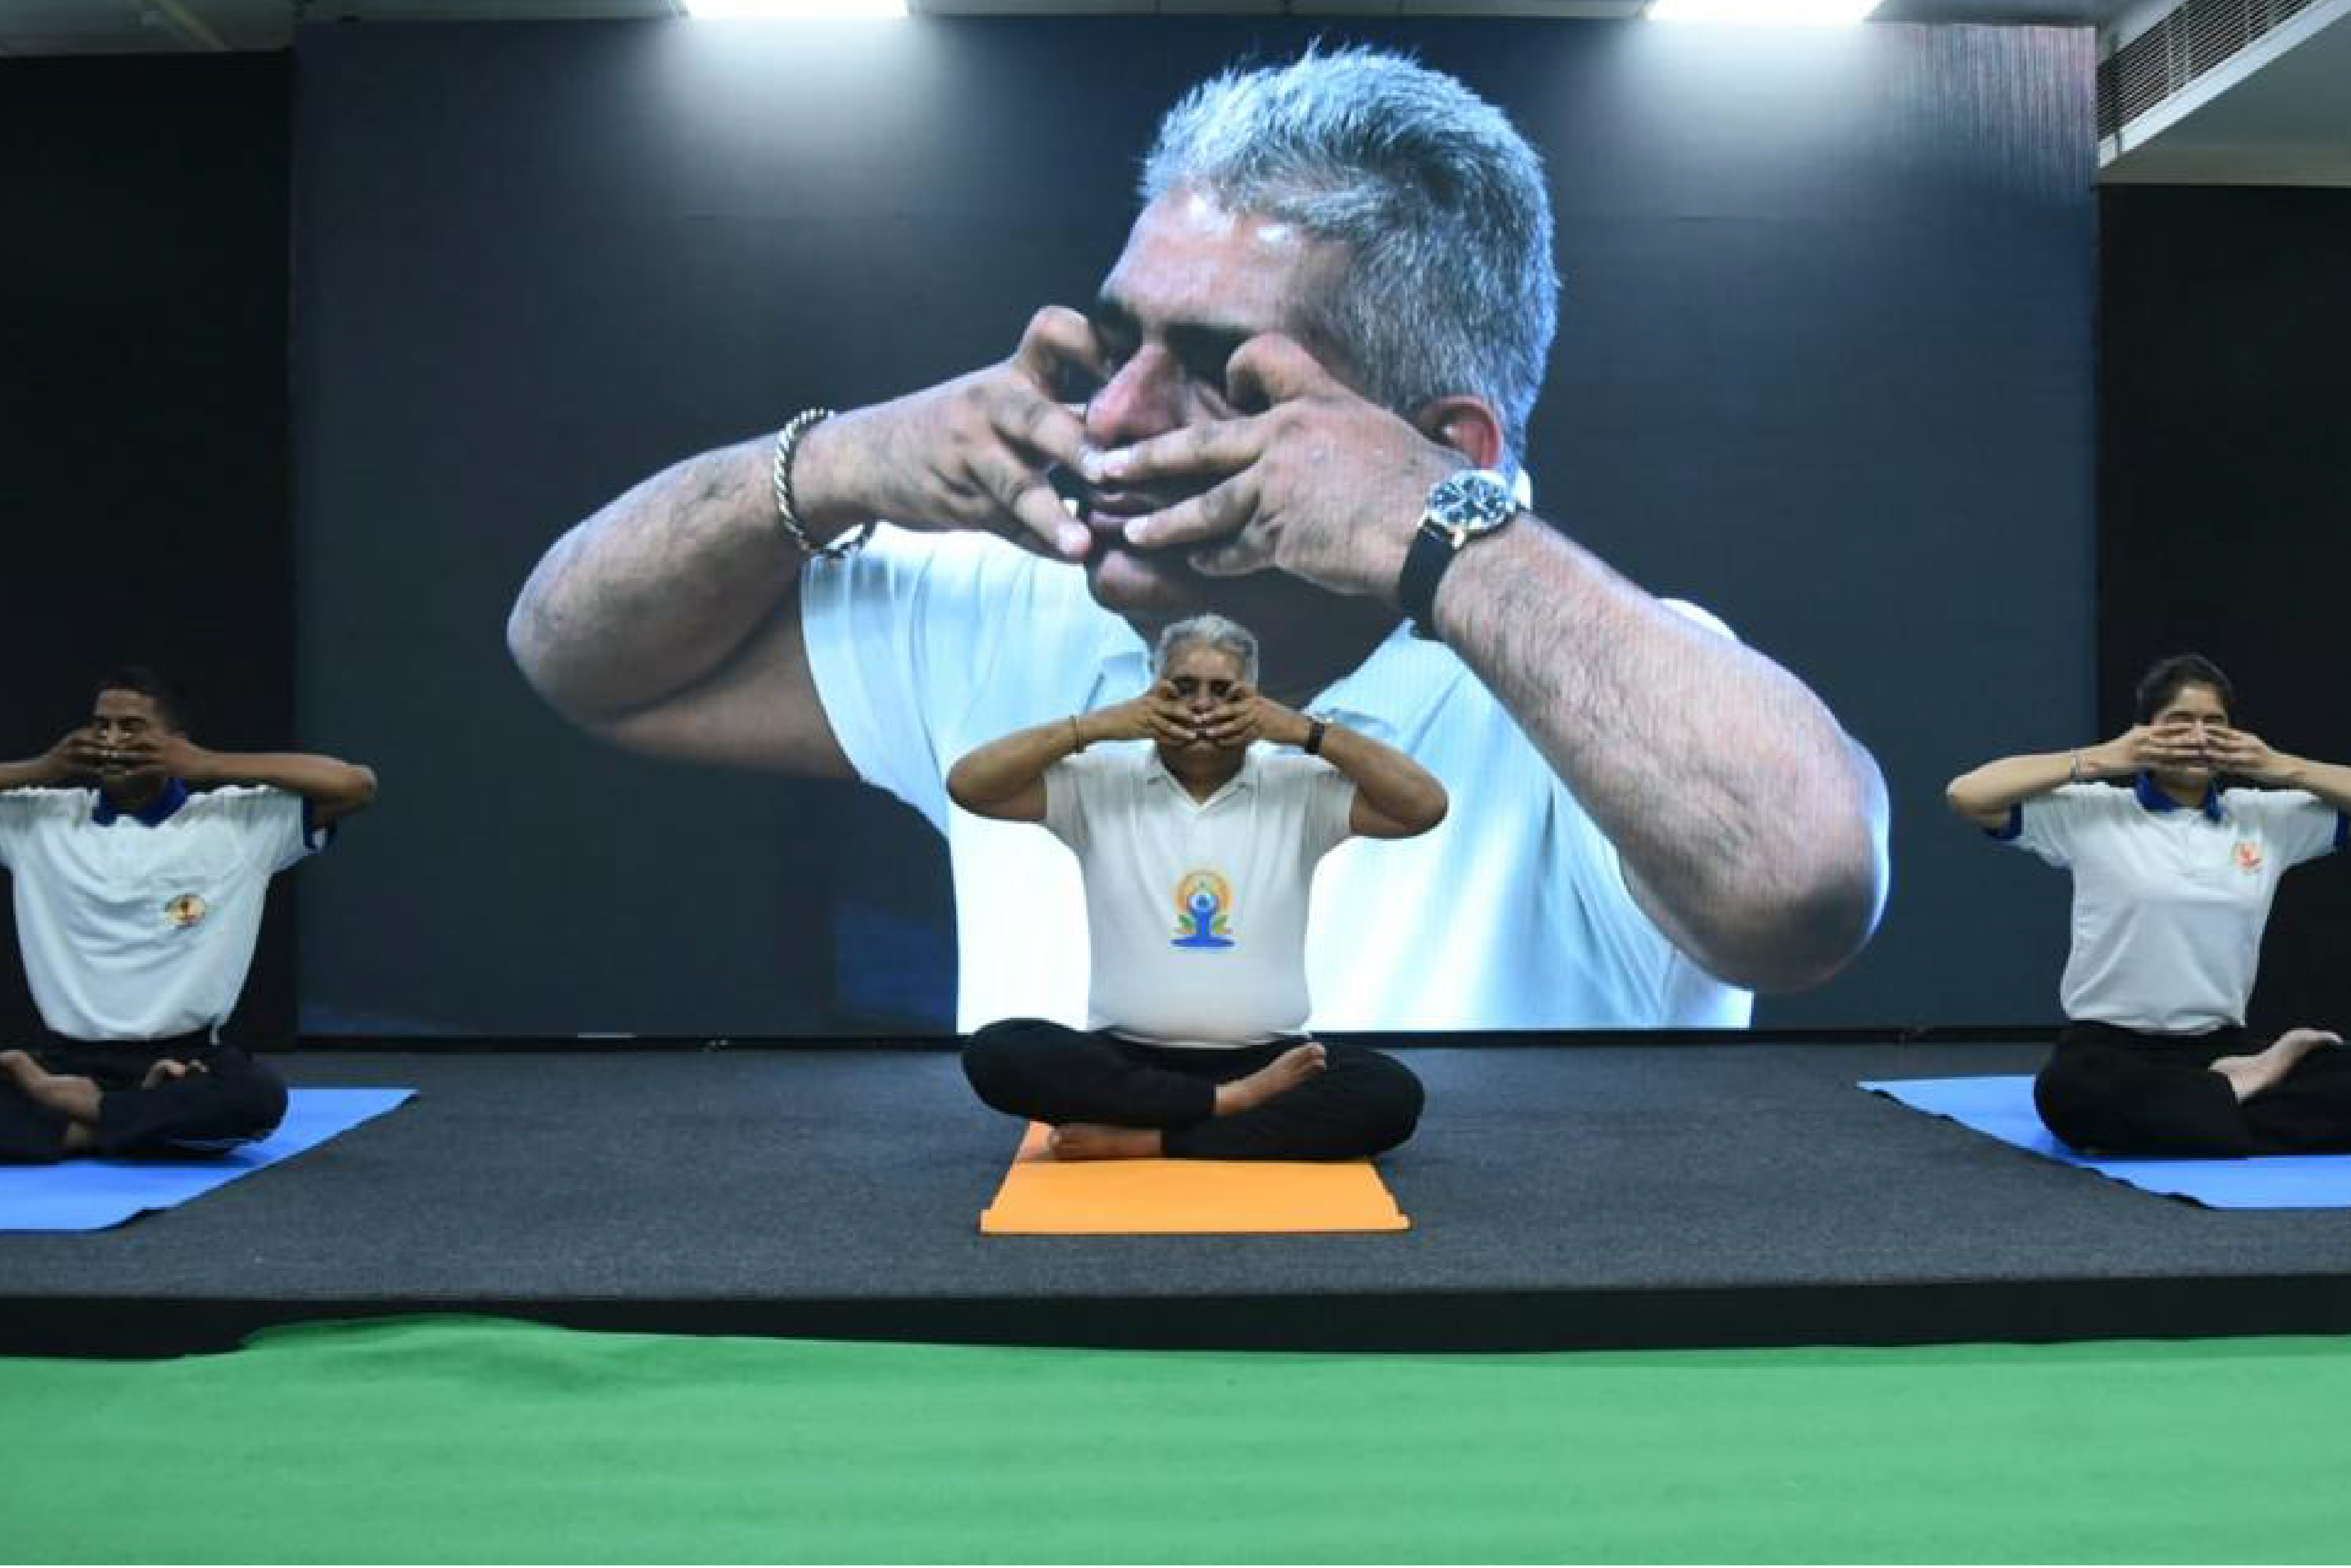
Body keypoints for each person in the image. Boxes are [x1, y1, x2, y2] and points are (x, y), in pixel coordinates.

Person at [507, 46, 1889, 1035]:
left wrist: (1437, 525)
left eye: (1217, 368)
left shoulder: (1608, 686)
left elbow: (1805, 888)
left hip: (1458, 1354)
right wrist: (841, 463)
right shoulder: (1019, 607)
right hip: (1067, 1330)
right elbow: (579, 656)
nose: (1114, 412)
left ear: (1441, 446)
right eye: (1121, 343)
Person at [949, 614, 1442, 1160]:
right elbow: (970, 785)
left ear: (1258, 702)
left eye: (1225, 691)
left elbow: (1424, 806)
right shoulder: (1098, 782)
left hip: (1270, 1060)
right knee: (998, 1052)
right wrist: (1098, 725)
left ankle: (1152, 1136)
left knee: (1388, 1094)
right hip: (1126, 1058)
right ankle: (1226, 1106)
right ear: (1151, 692)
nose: (1202, 705)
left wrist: (1307, 732)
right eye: (1182, 688)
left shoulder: (1299, 789)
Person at [1946, 653, 2351, 1155]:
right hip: (2112, 1050)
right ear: (2145, 733)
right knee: (2069, 1092)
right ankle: (2234, 1097)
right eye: (2180, 723)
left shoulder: (2265, 819)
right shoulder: (2093, 811)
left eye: (2215, 724)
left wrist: (2281, 766)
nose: (2199, 737)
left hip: (2220, 1046)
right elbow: (1967, 795)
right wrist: (2102, 758)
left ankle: (2210, 1102)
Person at [0, 668, 377, 1162]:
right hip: (62, 1060)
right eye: (101, 726)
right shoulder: (37, 819)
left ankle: (81, 1120)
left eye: (132, 728)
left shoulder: (236, 822)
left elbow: (355, 784)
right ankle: (130, 1119)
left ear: (175, 742)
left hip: (183, 1060)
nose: (111, 741)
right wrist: (41, 768)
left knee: (255, 1098)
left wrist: (208, 764)